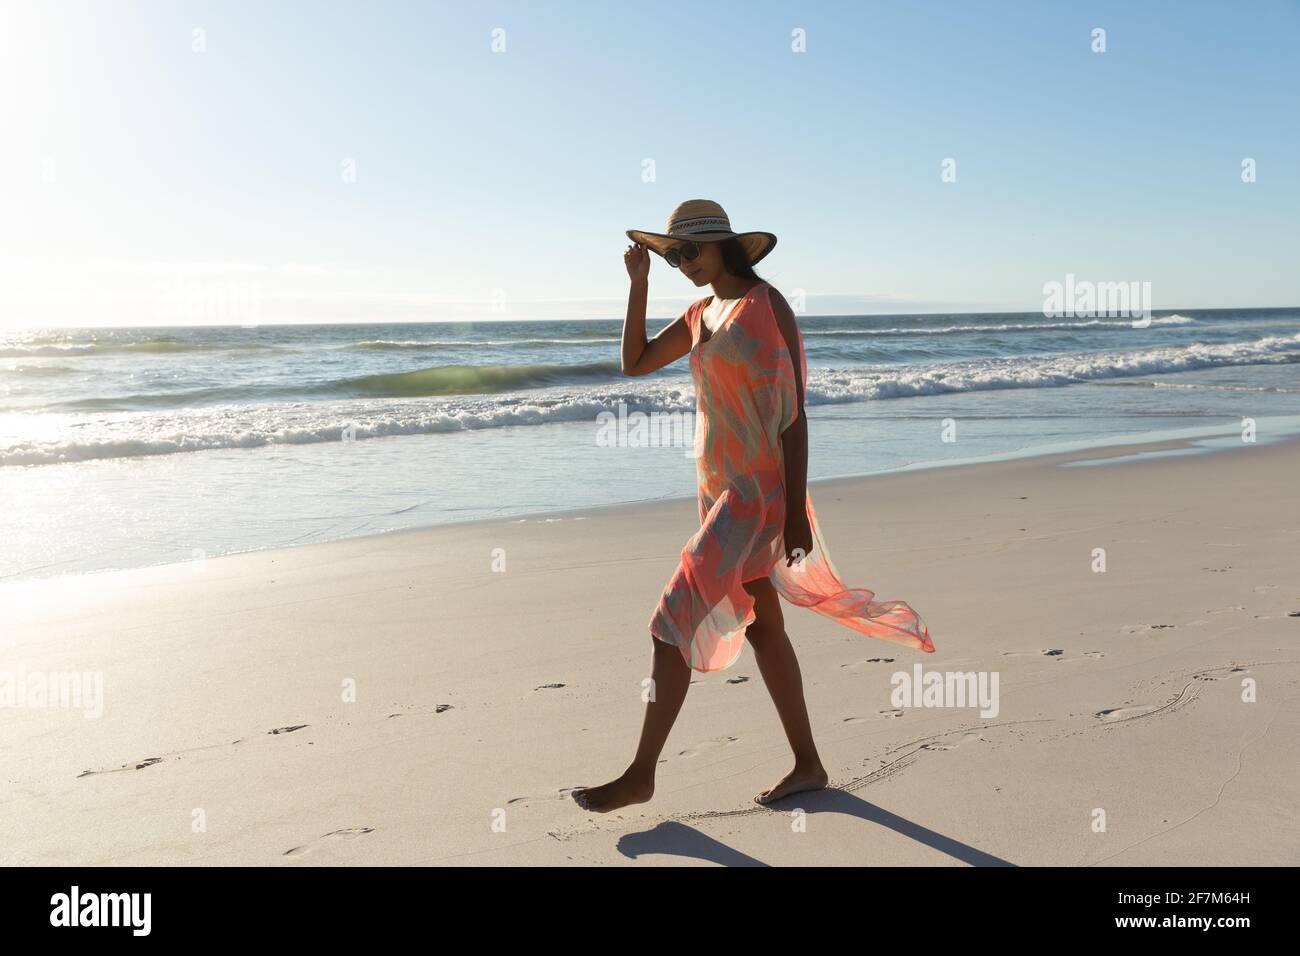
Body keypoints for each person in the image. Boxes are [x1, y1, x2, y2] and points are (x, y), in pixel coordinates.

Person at [572, 199, 933, 813]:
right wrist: (639, 285)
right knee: (765, 624)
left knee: (671, 621)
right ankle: (809, 764)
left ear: (725, 246)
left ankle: (641, 774)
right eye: (673, 253)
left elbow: (792, 417)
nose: (682, 261)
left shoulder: (765, 308)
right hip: (717, 489)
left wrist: (794, 510)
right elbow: (633, 363)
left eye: (690, 251)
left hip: (756, 494)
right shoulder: (698, 313)